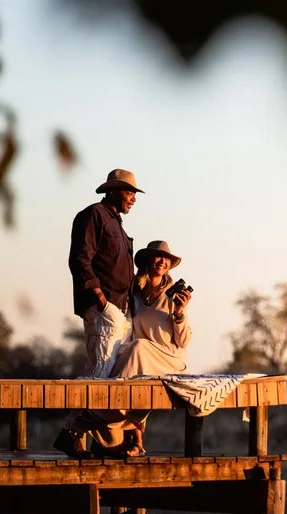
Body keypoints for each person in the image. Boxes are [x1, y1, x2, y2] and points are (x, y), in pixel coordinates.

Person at [53, 168, 145, 459]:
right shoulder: (93, 215)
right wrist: (101, 299)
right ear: (114, 190)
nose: (133, 198)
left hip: (121, 310)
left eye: (133, 193)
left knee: (112, 377)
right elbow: (80, 259)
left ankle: (100, 440)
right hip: (104, 310)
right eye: (129, 192)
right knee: (99, 373)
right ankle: (70, 433)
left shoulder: (116, 223)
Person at [92, 240, 193, 457]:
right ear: (147, 261)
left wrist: (179, 312)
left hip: (169, 358)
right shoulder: (135, 294)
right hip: (141, 357)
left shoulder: (173, 295)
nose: (162, 261)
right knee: (131, 358)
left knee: (139, 348)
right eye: (158, 256)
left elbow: (183, 341)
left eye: (166, 258)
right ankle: (135, 440)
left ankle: (100, 412)